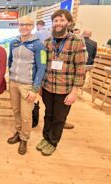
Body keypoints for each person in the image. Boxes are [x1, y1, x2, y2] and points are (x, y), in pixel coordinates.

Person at [36, 9, 86, 156]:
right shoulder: (47, 42)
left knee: (59, 118)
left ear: (68, 22)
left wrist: (75, 91)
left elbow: (80, 68)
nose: (58, 23)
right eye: (56, 21)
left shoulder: (77, 42)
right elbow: (43, 65)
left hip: (65, 89)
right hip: (48, 87)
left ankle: (53, 141)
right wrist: (39, 85)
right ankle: (45, 138)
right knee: (48, 114)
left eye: (61, 20)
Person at [7, 16, 47, 155]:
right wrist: (10, 77)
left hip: (27, 86)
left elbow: (42, 67)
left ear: (32, 26)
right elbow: (10, 61)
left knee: (26, 115)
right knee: (16, 111)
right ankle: (18, 133)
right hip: (13, 83)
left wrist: (35, 89)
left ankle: (24, 139)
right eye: (21, 24)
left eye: (27, 24)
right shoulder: (14, 43)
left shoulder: (39, 45)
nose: (24, 27)